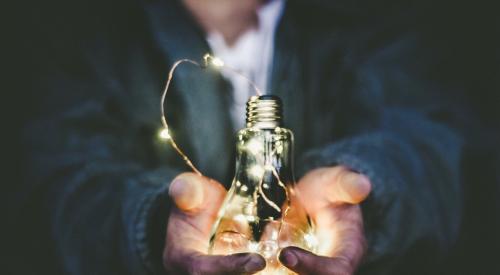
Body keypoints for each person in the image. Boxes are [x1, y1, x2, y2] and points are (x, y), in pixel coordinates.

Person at [13, 0, 469, 274]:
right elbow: (51, 185)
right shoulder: (88, 34)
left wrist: (364, 194)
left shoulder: (370, 21)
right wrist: (154, 226)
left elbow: (434, 141)